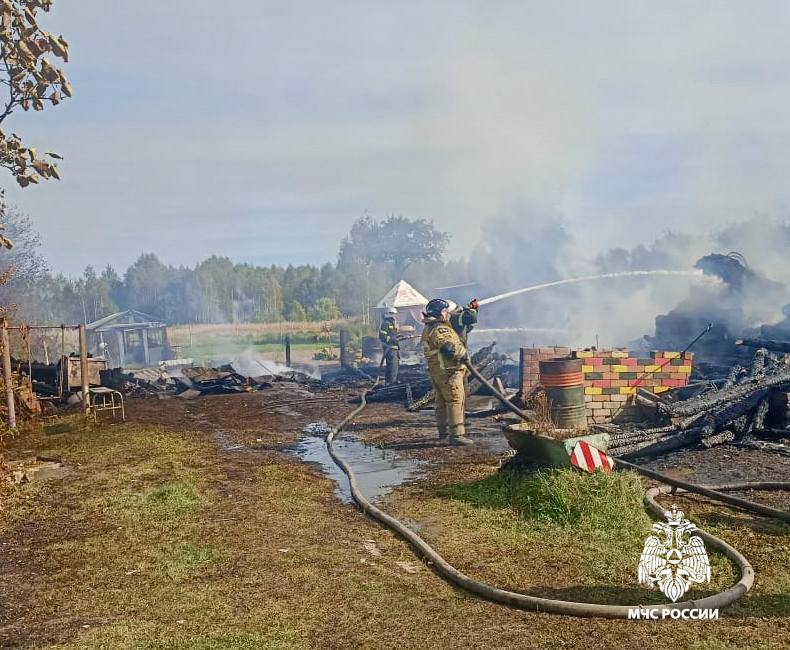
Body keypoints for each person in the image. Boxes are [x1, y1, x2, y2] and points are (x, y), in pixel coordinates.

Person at [421, 298, 473, 445]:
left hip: (438, 371)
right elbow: (449, 348)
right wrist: (463, 354)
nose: (447, 314)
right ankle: (456, 435)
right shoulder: (440, 329)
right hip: (449, 371)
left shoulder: (429, 328)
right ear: (440, 313)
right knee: (455, 400)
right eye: (446, 311)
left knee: (441, 403)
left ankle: (443, 434)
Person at [378, 306, 400, 384]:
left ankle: (390, 382)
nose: (395, 316)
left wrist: (399, 337)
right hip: (390, 349)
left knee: (394, 366)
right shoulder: (386, 323)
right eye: (394, 314)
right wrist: (393, 340)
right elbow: (382, 337)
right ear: (390, 314)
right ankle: (391, 382)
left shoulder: (391, 324)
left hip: (393, 348)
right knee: (392, 366)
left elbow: (392, 335)